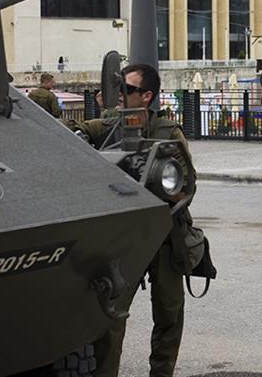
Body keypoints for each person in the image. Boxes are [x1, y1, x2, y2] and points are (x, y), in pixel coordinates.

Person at [69, 64, 192, 377]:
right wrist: (80, 137)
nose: (120, 95)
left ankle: (161, 373)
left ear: (146, 96)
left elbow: (187, 186)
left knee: (169, 312)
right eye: (119, 88)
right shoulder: (110, 124)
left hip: (163, 234)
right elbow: (74, 131)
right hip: (122, 237)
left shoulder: (168, 131)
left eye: (127, 89)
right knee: (109, 314)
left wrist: (160, 182)